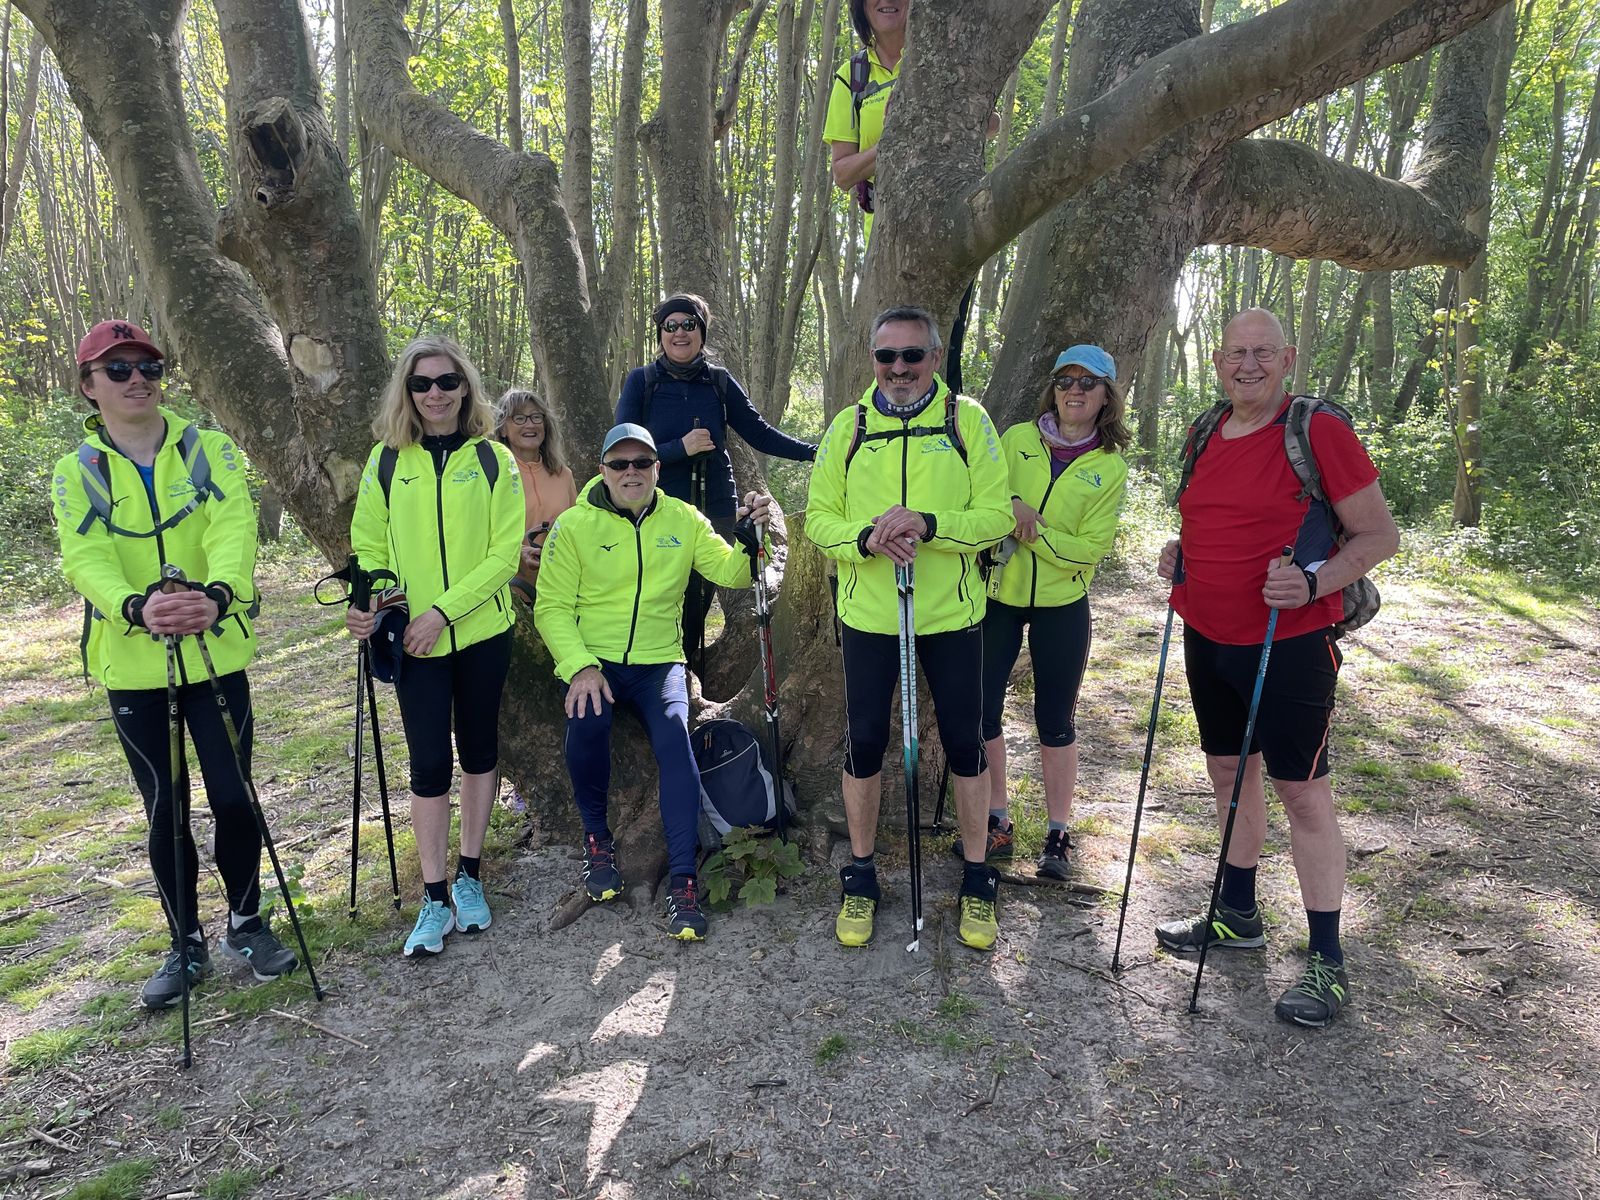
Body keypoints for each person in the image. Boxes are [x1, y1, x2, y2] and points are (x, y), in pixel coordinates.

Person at [1155, 307, 1400, 1027]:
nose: (1249, 365)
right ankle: (1237, 912)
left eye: (1263, 352)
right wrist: (1182, 553)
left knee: (1303, 792)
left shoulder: (1315, 429)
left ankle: (1327, 960)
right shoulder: (1205, 430)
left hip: (1290, 644)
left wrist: (1315, 582)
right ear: (1218, 359)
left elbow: (1378, 534)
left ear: (1287, 359)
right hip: (1208, 635)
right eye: (1237, 352)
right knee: (1231, 776)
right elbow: (1215, 521)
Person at [52, 319, 298, 1009]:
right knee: (166, 808)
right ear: (88, 386)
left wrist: (217, 596)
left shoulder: (207, 449)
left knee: (233, 794)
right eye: (118, 369)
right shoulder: (77, 471)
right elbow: (84, 556)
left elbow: (233, 526)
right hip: (135, 667)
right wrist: (136, 607)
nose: (137, 380)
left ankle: (247, 923)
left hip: (216, 655)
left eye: (148, 368)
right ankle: (183, 940)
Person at [806, 305, 1012, 951]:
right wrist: (865, 538)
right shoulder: (849, 426)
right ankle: (862, 873)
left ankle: (978, 877)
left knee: (966, 743)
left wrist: (928, 523)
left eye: (912, 356)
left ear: (935, 359)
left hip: (952, 615)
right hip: (869, 617)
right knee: (864, 743)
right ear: (872, 360)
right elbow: (818, 519)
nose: (898, 368)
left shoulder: (966, 421)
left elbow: (996, 516)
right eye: (886, 356)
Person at [534, 423, 771, 942]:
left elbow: (733, 572)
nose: (631, 472)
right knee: (588, 719)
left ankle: (683, 879)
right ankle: (597, 842)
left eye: (641, 462)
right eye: (619, 464)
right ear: (603, 471)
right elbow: (551, 608)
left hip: (659, 662)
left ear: (657, 469)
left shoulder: (683, 519)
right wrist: (580, 666)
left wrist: (755, 536)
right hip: (593, 659)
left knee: (674, 740)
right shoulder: (574, 526)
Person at [345, 335, 522, 958]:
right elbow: (368, 544)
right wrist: (378, 606)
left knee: (478, 752)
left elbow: (505, 556)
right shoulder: (387, 461)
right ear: (407, 392)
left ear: (465, 387)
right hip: (413, 638)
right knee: (427, 764)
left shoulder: (494, 459)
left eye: (447, 382)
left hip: (479, 633)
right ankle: (434, 893)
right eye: (422, 385)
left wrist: (444, 613)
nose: (436, 394)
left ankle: (471, 875)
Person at [977, 344, 1129, 880]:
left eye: (1089, 382)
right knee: (982, 712)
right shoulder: (1016, 439)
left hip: (1063, 605)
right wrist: (1008, 512)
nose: (1075, 390)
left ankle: (1058, 835)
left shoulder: (1108, 466)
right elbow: (984, 502)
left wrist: (1030, 526)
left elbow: (1089, 549)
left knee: (1055, 721)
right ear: (1053, 387)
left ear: (1107, 396)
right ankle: (997, 820)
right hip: (997, 596)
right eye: (1066, 379)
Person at [614, 293, 814, 672]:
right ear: (660, 334)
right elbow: (620, 446)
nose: (679, 333)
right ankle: (661, 674)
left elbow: (760, 434)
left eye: (688, 324)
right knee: (662, 593)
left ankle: (685, 673)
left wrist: (815, 452)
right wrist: (678, 448)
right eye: (670, 326)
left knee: (701, 596)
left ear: (701, 332)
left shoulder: (719, 382)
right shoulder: (642, 382)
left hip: (716, 504)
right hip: (657, 505)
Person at [495, 387, 576, 596]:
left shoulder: (563, 475)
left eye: (536, 417)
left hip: (560, 587)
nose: (530, 424)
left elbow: (577, 530)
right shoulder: (493, 474)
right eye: (519, 418)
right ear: (503, 429)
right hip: (509, 587)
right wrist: (520, 553)